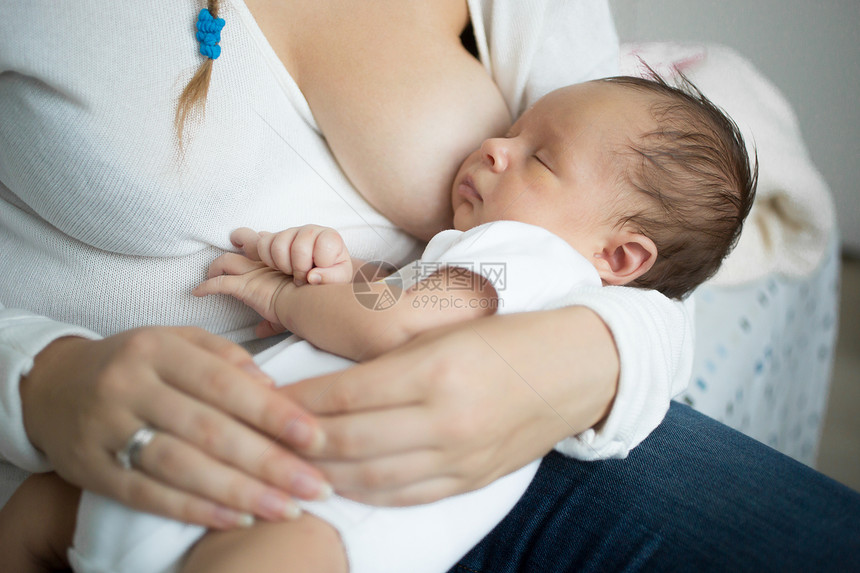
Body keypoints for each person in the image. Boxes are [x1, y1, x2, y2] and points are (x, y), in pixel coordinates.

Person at [0, 1, 857, 572]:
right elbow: (401, 296)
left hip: (356, 482)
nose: (494, 149)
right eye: (511, 133)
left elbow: (401, 317)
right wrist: (38, 379)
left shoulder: (525, 255)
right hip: (143, 418)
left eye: (537, 154)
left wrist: (591, 359)